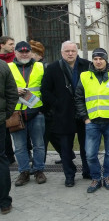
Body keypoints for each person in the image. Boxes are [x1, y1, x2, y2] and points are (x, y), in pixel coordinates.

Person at [75, 48, 109, 193]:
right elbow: (78, 98)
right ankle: (96, 178)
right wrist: (85, 118)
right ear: (92, 60)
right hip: (92, 122)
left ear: (106, 60)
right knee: (90, 154)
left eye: (101, 59)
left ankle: (108, 177)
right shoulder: (85, 76)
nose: (98, 62)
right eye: (95, 59)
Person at [41, 41, 92, 187]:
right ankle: (69, 175)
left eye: (73, 51)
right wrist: (57, 103)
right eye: (67, 51)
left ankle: (87, 171)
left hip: (84, 113)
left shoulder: (87, 65)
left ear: (77, 52)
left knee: (86, 145)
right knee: (65, 148)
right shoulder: (52, 68)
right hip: (63, 114)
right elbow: (45, 91)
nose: (70, 53)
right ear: (61, 52)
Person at [8, 41, 47, 186]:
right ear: (16, 53)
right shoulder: (8, 67)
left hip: (36, 112)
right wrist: (13, 91)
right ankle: (23, 172)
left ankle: (38, 170)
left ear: (31, 52)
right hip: (15, 114)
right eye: (21, 51)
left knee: (39, 145)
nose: (24, 54)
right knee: (19, 146)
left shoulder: (41, 66)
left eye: (27, 51)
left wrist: (45, 109)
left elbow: (47, 88)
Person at [0, 59, 19, 215]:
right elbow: (12, 93)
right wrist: (5, 114)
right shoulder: (2, 65)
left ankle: (4, 202)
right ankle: (4, 203)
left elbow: (11, 93)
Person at [0, 36, 16, 165]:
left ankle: (10, 156)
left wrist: (8, 111)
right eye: (10, 44)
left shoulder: (14, 59)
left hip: (6, 108)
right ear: (2, 45)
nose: (12, 46)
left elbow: (11, 91)